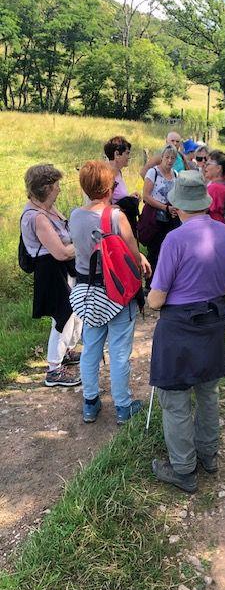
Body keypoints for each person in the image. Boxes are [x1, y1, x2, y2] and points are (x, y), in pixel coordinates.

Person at [148, 170, 225, 493]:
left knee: (175, 400)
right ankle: (209, 455)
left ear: (177, 205)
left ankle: (184, 469)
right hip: (214, 321)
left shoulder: (174, 239)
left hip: (179, 327)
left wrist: (147, 297)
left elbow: (157, 299)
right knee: (208, 392)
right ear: (203, 202)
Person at [69, 160, 151, 424]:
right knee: (118, 351)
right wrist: (141, 259)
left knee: (91, 346)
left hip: (88, 291)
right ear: (109, 188)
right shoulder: (116, 217)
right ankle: (123, 406)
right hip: (117, 293)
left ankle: (90, 402)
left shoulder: (75, 215)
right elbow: (131, 252)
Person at [20, 164, 82, 387]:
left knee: (74, 312)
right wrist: (86, 242)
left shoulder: (49, 208)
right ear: (46, 188)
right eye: (56, 185)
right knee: (62, 317)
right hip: (51, 270)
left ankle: (66, 352)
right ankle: (54, 370)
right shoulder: (37, 217)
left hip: (62, 269)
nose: (59, 189)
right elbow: (61, 252)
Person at [141, 144, 180, 288]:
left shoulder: (176, 174)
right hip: (154, 218)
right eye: (167, 157)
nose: (169, 161)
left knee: (168, 251)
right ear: (162, 157)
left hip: (171, 217)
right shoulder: (153, 172)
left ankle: (164, 282)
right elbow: (146, 196)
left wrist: (174, 208)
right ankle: (149, 284)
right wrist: (165, 207)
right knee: (154, 251)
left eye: (172, 158)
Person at [104, 136, 139, 237]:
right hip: (115, 228)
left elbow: (117, 197)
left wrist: (129, 198)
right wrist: (124, 206)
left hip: (123, 222)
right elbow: (102, 207)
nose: (129, 157)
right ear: (117, 154)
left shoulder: (118, 172)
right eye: (127, 153)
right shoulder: (106, 175)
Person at [203, 150, 225, 223]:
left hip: (212, 228)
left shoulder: (215, 188)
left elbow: (203, 210)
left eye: (208, 164)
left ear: (218, 168)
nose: (205, 166)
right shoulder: (223, 183)